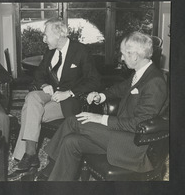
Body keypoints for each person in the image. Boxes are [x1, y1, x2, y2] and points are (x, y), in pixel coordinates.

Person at [35, 31, 168, 181]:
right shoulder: (141, 73)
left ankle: (49, 167)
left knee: (74, 121)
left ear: (135, 56)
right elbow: (120, 88)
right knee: (70, 141)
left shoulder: (155, 82)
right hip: (121, 134)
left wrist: (101, 118)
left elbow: (138, 124)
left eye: (124, 54)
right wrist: (102, 95)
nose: (122, 58)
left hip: (133, 145)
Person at [12, 18, 101, 171]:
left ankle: (27, 156)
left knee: (30, 112)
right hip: (51, 94)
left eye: (46, 35)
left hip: (68, 100)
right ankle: (31, 153)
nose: (43, 39)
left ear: (59, 34)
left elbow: (95, 81)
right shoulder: (50, 52)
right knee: (32, 97)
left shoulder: (80, 51)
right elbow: (38, 74)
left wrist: (69, 92)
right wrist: (44, 85)